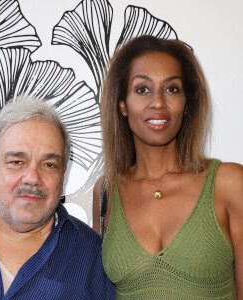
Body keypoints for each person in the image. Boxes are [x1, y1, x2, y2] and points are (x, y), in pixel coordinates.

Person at [93, 35, 243, 299]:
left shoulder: (229, 184)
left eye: (171, 89)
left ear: (187, 105)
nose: (158, 102)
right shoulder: (106, 191)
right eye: (142, 89)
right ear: (122, 105)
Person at [0, 97, 115, 299]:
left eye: (49, 164)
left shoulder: (93, 256)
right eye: (17, 161)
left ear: (62, 176)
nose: (32, 178)